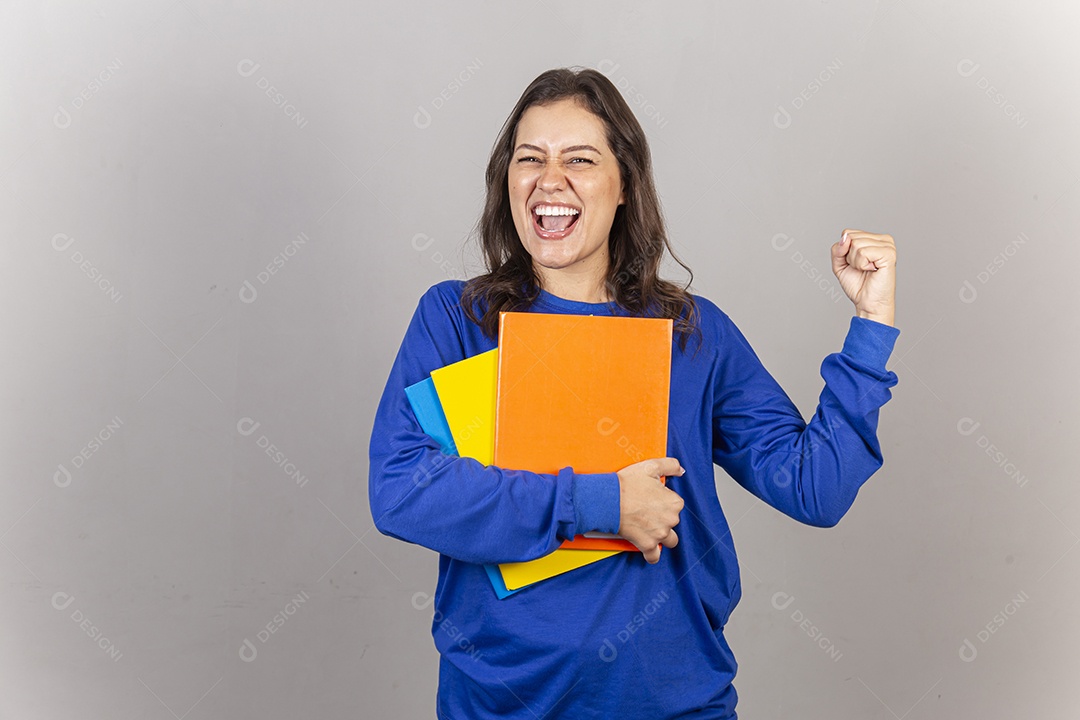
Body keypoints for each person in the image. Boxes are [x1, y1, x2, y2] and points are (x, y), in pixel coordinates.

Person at [368, 67, 899, 719]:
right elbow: (402, 491)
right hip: (500, 704)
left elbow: (815, 487)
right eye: (528, 158)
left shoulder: (692, 335)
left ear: (624, 186)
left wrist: (871, 325)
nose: (549, 179)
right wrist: (601, 501)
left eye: (580, 160)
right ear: (507, 180)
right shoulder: (458, 319)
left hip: (672, 701)